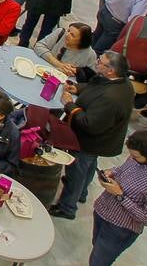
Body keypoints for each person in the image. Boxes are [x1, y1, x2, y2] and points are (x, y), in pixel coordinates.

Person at [52, 51, 134, 220]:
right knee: (88, 165)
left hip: (91, 140)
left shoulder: (111, 98)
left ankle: (67, 207)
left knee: (76, 171)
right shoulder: (120, 81)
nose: (96, 63)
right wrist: (78, 88)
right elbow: (95, 86)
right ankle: (82, 192)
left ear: (111, 70)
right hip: (103, 139)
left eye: (100, 62)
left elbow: (89, 124)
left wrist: (69, 105)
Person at [89, 130, 147, 265]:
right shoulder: (135, 158)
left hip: (120, 229)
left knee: (99, 261)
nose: (132, 158)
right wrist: (111, 172)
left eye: (135, 156)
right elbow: (122, 170)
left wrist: (120, 195)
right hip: (102, 211)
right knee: (96, 248)